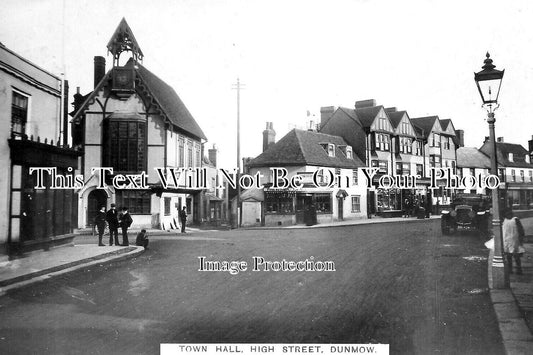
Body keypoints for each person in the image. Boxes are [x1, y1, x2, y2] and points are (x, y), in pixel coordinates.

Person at [502, 209, 525, 274]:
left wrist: (521, 238)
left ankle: (518, 269)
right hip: (507, 240)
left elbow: (520, 229)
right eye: (507, 214)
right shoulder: (504, 220)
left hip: (515, 240)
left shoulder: (515, 219)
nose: (508, 215)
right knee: (509, 256)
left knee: (516, 256)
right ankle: (511, 269)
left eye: (510, 213)